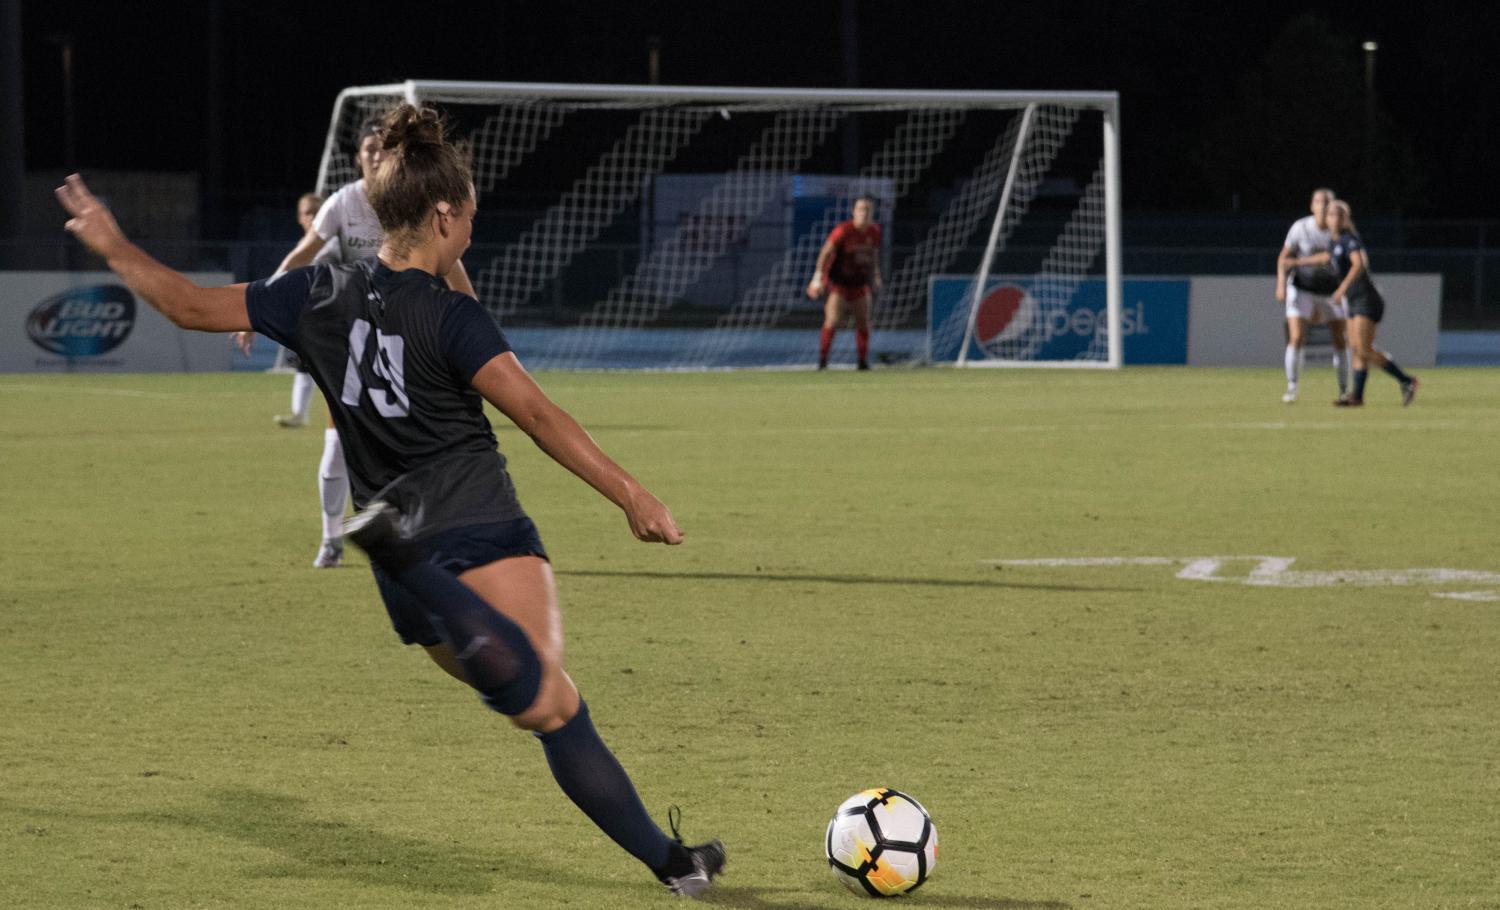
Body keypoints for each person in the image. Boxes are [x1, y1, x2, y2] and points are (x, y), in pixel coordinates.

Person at [54, 104, 726, 898]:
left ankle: (677, 866)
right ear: (444, 213)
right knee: (545, 702)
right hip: (474, 524)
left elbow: (190, 307)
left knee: (523, 692)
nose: (473, 227)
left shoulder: (316, 291)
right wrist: (633, 496)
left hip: (399, 565)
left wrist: (111, 242)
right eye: (469, 215)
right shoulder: (454, 318)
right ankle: (671, 864)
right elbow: (540, 415)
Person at [239, 118, 477, 570]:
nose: (374, 155)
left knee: (425, 441)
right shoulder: (342, 203)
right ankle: (332, 538)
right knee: (336, 445)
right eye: (367, 148)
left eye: (381, 148)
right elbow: (303, 253)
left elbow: (452, 264)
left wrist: (474, 321)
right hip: (357, 337)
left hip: (413, 335)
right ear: (359, 158)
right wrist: (256, 305)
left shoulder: (417, 201)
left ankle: (428, 532)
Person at [1321, 200, 1418, 407]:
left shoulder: (1349, 240)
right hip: (1354, 299)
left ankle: (1407, 380)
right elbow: (1327, 257)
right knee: (1356, 348)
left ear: (1345, 219)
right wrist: (1296, 262)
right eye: (1330, 214)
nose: (1333, 218)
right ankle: (1357, 397)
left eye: (1338, 215)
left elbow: (1359, 264)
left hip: (1367, 298)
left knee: (1363, 349)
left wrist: (1341, 289)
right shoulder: (1333, 242)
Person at [1275, 187, 1349, 403]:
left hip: (1331, 290)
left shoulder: (1340, 231)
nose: (1323, 206)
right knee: (1296, 337)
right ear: (1312, 205)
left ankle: (1344, 389)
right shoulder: (1300, 227)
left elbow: (1329, 258)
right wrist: (1280, 283)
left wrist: (1297, 262)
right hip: (1302, 287)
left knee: (1340, 338)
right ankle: (1292, 387)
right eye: (1319, 202)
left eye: (1328, 203)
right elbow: (1283, 258)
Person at [806, 196, 882, 371]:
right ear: (853, 211)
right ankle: (823, 361)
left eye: (868, 209)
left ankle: (862, 362)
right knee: (832, 321)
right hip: (839, 283)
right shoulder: (843, 230)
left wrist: (876, 276)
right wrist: (818, 278)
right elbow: (825, 253)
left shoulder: (874, 232)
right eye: (861, 209)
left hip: (859, 283)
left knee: (863, 321)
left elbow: (874, 256)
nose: (865, 213)